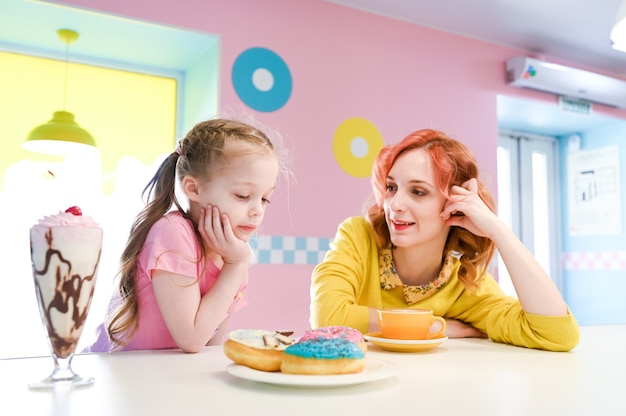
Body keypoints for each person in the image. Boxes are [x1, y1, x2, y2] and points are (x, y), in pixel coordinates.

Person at [310, 128, 580, 352]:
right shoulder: (358, 235)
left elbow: (557, 334)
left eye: (418, 191)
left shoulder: (463, 282)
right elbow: (328, 317)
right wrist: (434, 325)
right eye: (391, 187)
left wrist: (498, 231)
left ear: (454, 204)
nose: (394, 204)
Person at [86, 117, 285, 353]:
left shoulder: (233, 255)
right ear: (193, 189)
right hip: (115, 374)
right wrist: (237, 265)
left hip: (163, 376)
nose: (257, 210)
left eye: (264, 198)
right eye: (242, 196)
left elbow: (209, 345)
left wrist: (235, 264)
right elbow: (191, 339)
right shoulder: (173, 232)